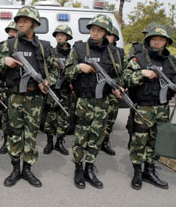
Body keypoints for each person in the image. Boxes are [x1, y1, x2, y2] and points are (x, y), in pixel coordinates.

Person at [0, 6, 57, 188]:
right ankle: (15, 169)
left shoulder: (44, 47)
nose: (20, 24)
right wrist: (4, 61)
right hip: (15, 95)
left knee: (31, 134)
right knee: (15, 133)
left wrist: (47, 82)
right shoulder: (8, 45)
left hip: (35, 97)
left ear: (35, 24)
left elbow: (53, 71)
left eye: (25, 21)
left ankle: (28, 169)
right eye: (19, 21)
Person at [64, 14, 122, 189]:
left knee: (96, 136)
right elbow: (67, 72)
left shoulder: (113, 53)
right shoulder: (80, 49)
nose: (95, 33)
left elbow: (118, 76)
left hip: (103, 102)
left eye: (100, 30)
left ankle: (90, 167)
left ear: (106, 32)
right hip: (84, 100)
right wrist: (79, 67)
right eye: (93, 29)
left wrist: (118, 88)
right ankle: (78, 168)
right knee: (81, 136)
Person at [123, 23, 176, 190]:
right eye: (154, 39)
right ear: (148, 40)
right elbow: (125, 79)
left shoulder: (171, 61)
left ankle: (150, 170)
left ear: (166, 42)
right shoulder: (139, 58)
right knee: (139, 141)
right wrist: (141, 74)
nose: (156, 42)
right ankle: (137, 172)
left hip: (162, 108)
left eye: (160, 39)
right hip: (144, 108)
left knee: (156, 141)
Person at [43, 24, 73, 156]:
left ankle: (59, 142)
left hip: (66, 89)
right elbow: (45, 68)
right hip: (53, 89)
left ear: (67, 37)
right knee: (50, 115)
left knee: (64, 116)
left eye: (62, 35)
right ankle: (49, 142)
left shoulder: (73, 53)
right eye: (57, 35)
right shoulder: (51, 51)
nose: (59, 37)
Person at [102, 25, 125, 156]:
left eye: (110, 36)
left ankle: (105, 141)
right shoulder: (100, 50)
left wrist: (122, 85)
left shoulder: (119, 52)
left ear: (115, 38)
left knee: (111, 117)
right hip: (102, 88)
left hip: (114, 88)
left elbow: (124, 71)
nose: (107, 38)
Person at [0, 21, 18, 154]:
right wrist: (6, 61)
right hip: (6, 87)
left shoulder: (23, 47)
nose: (11, 33)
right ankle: (5, 141)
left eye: (14, 31)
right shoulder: (1, 47)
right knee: (5, 117)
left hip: (19, 89)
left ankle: (15, 143)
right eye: (10, 31)